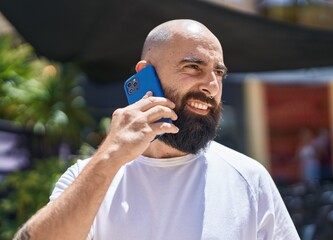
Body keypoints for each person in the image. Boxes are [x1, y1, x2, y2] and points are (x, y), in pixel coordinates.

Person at [14, 19, 300, 240]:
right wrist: (110, 157)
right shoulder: (89, 177)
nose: (211, 85)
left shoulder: (248, 178)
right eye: (193, 67)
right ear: (145, 75)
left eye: (218, 72)